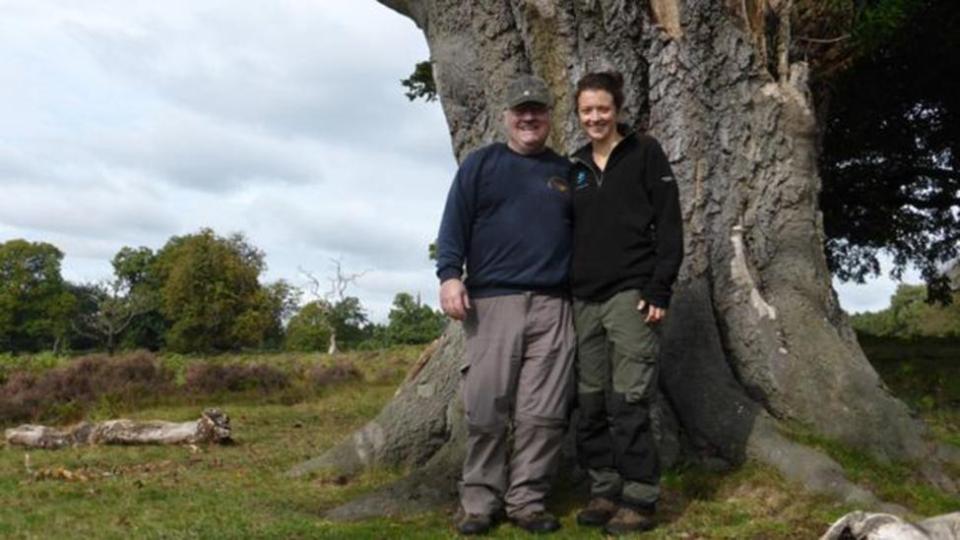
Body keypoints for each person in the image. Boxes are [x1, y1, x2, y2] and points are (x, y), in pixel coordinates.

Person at [435, 74, 575, 536]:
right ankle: (479, 502)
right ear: (507, 117)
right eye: (521, 110)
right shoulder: (481, 165)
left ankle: (528, 502)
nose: (529, 117)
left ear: (550, 117)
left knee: (544, 413)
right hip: (493, 303)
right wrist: (450, 276)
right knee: (487, 407)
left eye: (537, 109)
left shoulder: (568, 173)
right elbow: (453, 226)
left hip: (555, 306)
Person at [569, 71, 683, 534]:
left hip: (631, 294)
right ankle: (603, 488)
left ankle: (639, 496)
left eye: (602, 108)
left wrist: (660, 288)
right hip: (582, 300)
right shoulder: (572, 167)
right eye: (586, 110)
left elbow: (671, 225)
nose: (595, 117)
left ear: (616, 109)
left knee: (628, 401)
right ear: (577, 114)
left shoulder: (645, 153)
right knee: (590, 402)